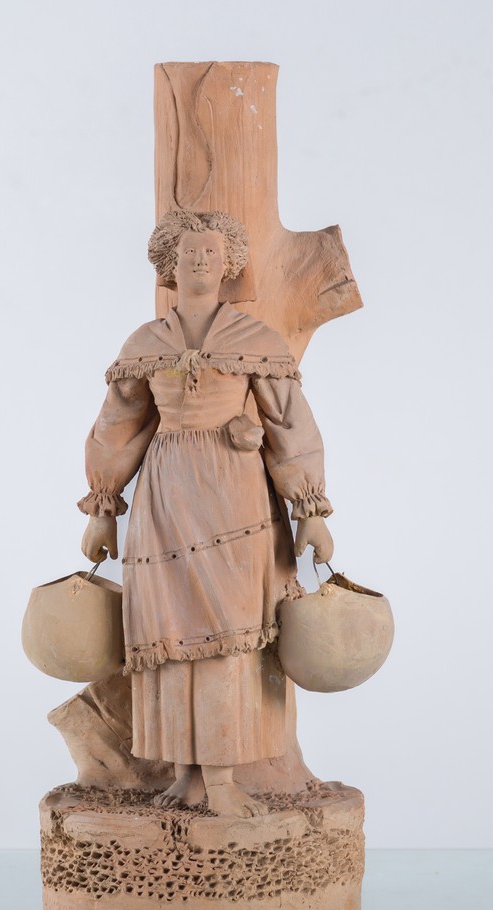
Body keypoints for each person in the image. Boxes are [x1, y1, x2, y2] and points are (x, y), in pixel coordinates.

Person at [78, 210, 334, 818]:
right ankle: (184, 776)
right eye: (189, 252)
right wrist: (103, 509)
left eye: (211, 253)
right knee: (167, 636)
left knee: (228, 635)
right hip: (165, 500)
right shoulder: (146, 344)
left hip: (234, 497)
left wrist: (310, 509)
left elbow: (289, 424)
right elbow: (117, 428)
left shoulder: (254, 340)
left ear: (229, 264)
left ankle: (222, 779)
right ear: (169, 262)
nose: (200, 261)